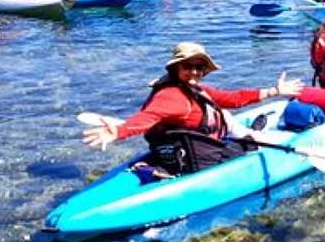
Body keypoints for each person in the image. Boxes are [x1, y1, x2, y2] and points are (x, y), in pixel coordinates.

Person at [83, 42, 303, 176]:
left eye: (199, 67)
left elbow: (232, 98)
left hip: (188, 149)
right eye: (188, 66)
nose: (195, 72)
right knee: (256, 142)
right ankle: (253, 137)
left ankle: (250, 133)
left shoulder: (192, 89)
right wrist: (119, 132)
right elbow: (148, 117)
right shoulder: (172, 95)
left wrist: (275, 90)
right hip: (202, 158)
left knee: (223, 111)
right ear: (176, 68)